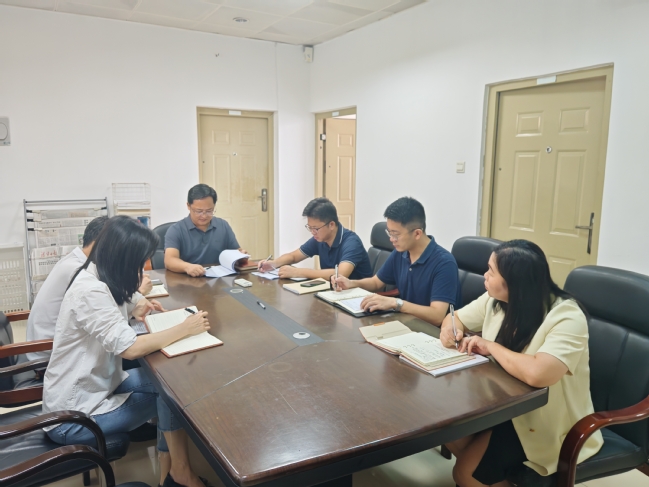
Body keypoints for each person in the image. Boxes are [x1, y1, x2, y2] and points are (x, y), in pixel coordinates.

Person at [43, 216, 210, 487]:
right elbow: (131, 349)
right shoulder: (89, 291)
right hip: (73, 418)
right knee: (173, 394)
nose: (140, 270)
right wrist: (184, 328)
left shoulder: (97, 274)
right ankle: (178, 472)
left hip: (98, 387)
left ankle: (171, 470)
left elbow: (126, 301)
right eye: (138, 263)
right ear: (123, 260)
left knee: (171, 381)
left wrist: (140, 304)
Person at [439, 240, 603, 486]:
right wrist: (451, 331)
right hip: (498, 403)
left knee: (464, 474)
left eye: (491, 271)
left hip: (542, 419)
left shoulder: (566, 316)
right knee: (444, 430)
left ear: (514, 283)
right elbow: (455, 318)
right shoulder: (495, 300)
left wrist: (491, 346)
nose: (484, 275)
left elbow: (540, 374)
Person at [26, 216, 154, 362]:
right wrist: (138, 293)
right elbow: (105, 306)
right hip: (52, 354)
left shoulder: (78, 261)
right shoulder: (79, 271)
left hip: (65, 345)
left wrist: (135, 301)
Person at [331, 197, 460, 326]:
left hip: (433, 332)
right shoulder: (401, 252)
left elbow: (437, 316)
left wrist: (396, 303)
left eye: (396, 234)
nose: (391, 239)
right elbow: (376, 282)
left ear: (417, 234)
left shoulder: (444, 263)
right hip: (405, 323)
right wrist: (351, 283)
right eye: (389, 233)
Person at [258, 197, 372, 280]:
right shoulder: (320, 238)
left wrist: (298, 272)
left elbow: (341, 273)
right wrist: (273, 264)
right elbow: (294, 256)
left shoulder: (351, 242)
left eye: (316, 228)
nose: (313, 232)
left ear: (331, 225)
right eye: (310, 227)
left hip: (358, 297)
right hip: (334, 292)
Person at [165, 184, 247, 277]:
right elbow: (169, 260)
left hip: (218, 279)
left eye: (209, 211)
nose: (204, 216)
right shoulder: (176, 230)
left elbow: (235, 251)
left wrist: (241, 256)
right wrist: (187, 267)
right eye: (199, 211)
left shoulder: (223, 225)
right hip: (188, 279)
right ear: (188, 206)